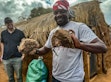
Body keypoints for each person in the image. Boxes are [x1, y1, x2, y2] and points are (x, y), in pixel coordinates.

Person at [30, 0, 107, 82]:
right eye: (56, 13)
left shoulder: (79, 27)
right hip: (56, 78)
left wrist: (80, 45)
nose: (58, 15)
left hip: (74, 79)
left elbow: (103, 47)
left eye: (62, 11)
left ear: (68, 12)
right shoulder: (53, 32)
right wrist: (35, 51)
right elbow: (45, 49)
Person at [0, 17, 25, 82]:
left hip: (17, 58)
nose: (9, 24)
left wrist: (23, 54)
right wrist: (2, 55)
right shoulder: (3, 33)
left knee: (19, 77)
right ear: (5, 24)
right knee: (10, 78)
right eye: (7, 23)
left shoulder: (20, 32)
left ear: (12, 22)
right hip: (6, 59)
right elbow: (2, 43)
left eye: (10, 22)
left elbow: (24, 43)